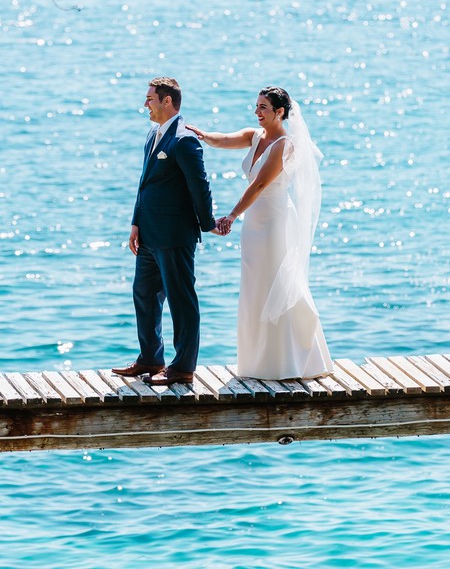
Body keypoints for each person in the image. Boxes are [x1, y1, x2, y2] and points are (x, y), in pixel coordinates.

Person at [186, 86, 333, 380]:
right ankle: (257, 362)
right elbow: (223, 139)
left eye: (263, 107)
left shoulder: (284, 145)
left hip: (274, 222)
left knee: (276, 284)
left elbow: (260, 185)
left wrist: (232, 215)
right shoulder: (255, 136)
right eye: (256, 106)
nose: (257, 112)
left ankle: (288, 360)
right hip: (254, 223)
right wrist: (201, 135)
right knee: (255, 286)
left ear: (280, 112)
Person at [112, 77, 219, 386]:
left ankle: (183, 367)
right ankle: (150, 358)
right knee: (144, 295)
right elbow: (145, 183)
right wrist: (135, 222)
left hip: (174, 235)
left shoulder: (184, 140)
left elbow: (199, 185)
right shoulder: (153, 134)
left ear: (167, 101)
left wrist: (208, 223)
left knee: (181, 301)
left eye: (150, 99)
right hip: (148, 233)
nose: (146, 104)